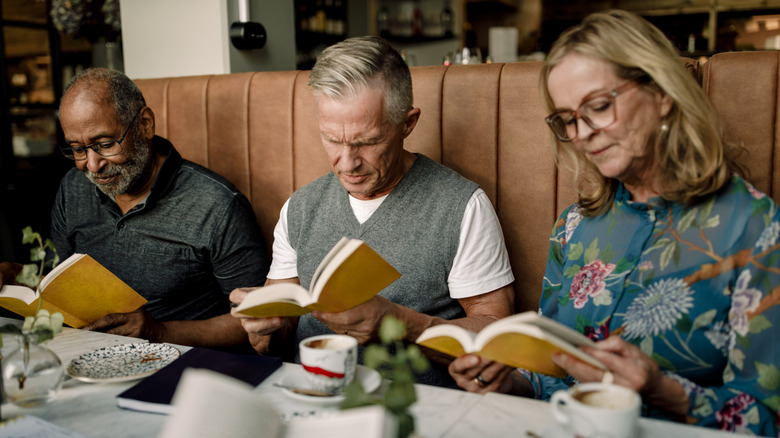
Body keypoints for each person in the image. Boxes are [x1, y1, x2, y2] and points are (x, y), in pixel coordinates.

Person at [448, 10, 780, 435]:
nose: (582, 133)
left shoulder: (755, 226)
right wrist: (506, 382)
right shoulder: (574, 226)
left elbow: (766, 418)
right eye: (568, 119)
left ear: (662, 93)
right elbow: (552, 374)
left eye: (599, 107)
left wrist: (663, 390)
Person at [230, 36, 515, 387]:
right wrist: (263, 331)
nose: (347, 163)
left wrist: (399, 323)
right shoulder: (301, 207)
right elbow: (280, 333)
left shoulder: (461, 206)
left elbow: (495, 340)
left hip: (413, 409)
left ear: (407, 124)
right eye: (332, 139)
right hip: (309, 399)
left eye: (366, 142)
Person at [0, 68, 270, 349]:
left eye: (104, 144)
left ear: (145, 124)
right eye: (77, 149)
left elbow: (258, 321)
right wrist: (19, 275)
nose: (92, 166)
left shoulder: (216, 205)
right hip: (90, 353)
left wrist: (159, 332)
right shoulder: (73, 188)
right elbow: (62, 285)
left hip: (184, 363)